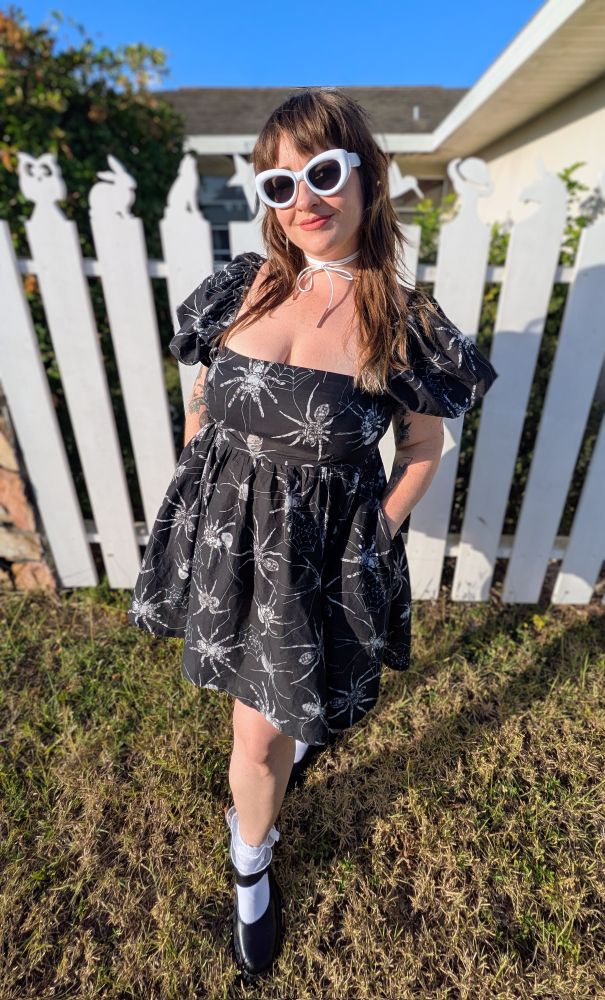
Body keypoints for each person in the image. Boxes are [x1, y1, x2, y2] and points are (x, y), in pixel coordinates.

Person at [127, 87, 498, 982]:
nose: (305, 199)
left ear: (367, 181)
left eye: (324, 173)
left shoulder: (401, 321)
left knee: (259, 733)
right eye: (279, 184)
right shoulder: (238, 287)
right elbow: (204, 398)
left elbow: (421, 445)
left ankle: (249, 860)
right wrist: (202, 479)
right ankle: (259, 830)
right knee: (260, 710)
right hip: (225, 539)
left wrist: (375, 528)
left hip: (318, 560)